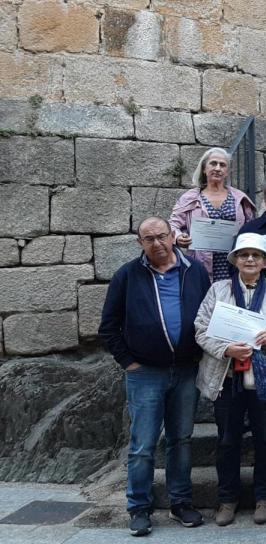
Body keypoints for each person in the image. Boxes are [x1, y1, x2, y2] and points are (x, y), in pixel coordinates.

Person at [98, 216, 212, 537]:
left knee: (181, 440)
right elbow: (108, 326)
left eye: (162, 236)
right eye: (149, 239)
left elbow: (209, 313)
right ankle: (139, 507)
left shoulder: (195, 271)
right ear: (140, 243)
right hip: (145, 373)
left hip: (186, 370)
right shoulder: (127, 276)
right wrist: (128, 362)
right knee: (143, 445)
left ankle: (181, 502)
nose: (157, 243)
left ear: (174, 236)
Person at [194, 233, 266, 527]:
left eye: (256, 255)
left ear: (264, 262)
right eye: (244, 254)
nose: (250, 259)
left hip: (265, 376)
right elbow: (200, 329)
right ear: (235, 259)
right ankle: (227, 499)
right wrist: (226, 348)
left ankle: (264, 496)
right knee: (227, 440)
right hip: (226, 376)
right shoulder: (218, 290)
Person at [170, 147, 256, 282]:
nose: (217, 168)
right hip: (201, 266)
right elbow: (172, 225)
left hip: (233, 266)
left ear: (227, 172)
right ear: (204, 169)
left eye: (222, 165)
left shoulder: (239, 198)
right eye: (213, 163)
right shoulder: (190, 198)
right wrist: (179, 237)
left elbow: (251, 228)